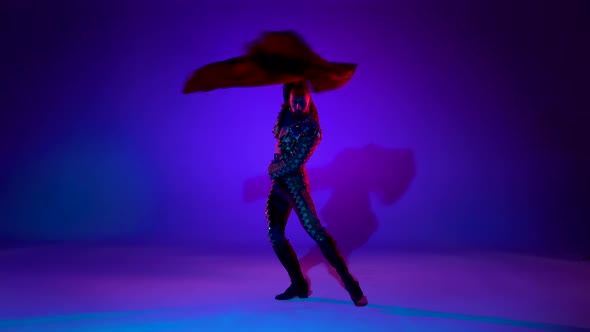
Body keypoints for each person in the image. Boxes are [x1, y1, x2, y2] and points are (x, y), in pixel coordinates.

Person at [266, 81, 368, 307]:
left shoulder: (311, 128)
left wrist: (272, 169)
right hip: (279, 186)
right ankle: (299, 285)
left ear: (310, 100)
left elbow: (296, 161)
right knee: (275, 234)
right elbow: (278, 142)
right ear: (288, 100)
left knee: (316, 232)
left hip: (295, 185)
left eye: (303, 101)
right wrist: (276, 160)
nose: (299, 105)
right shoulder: (284, 113)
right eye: (295, 101)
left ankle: (352, 286)